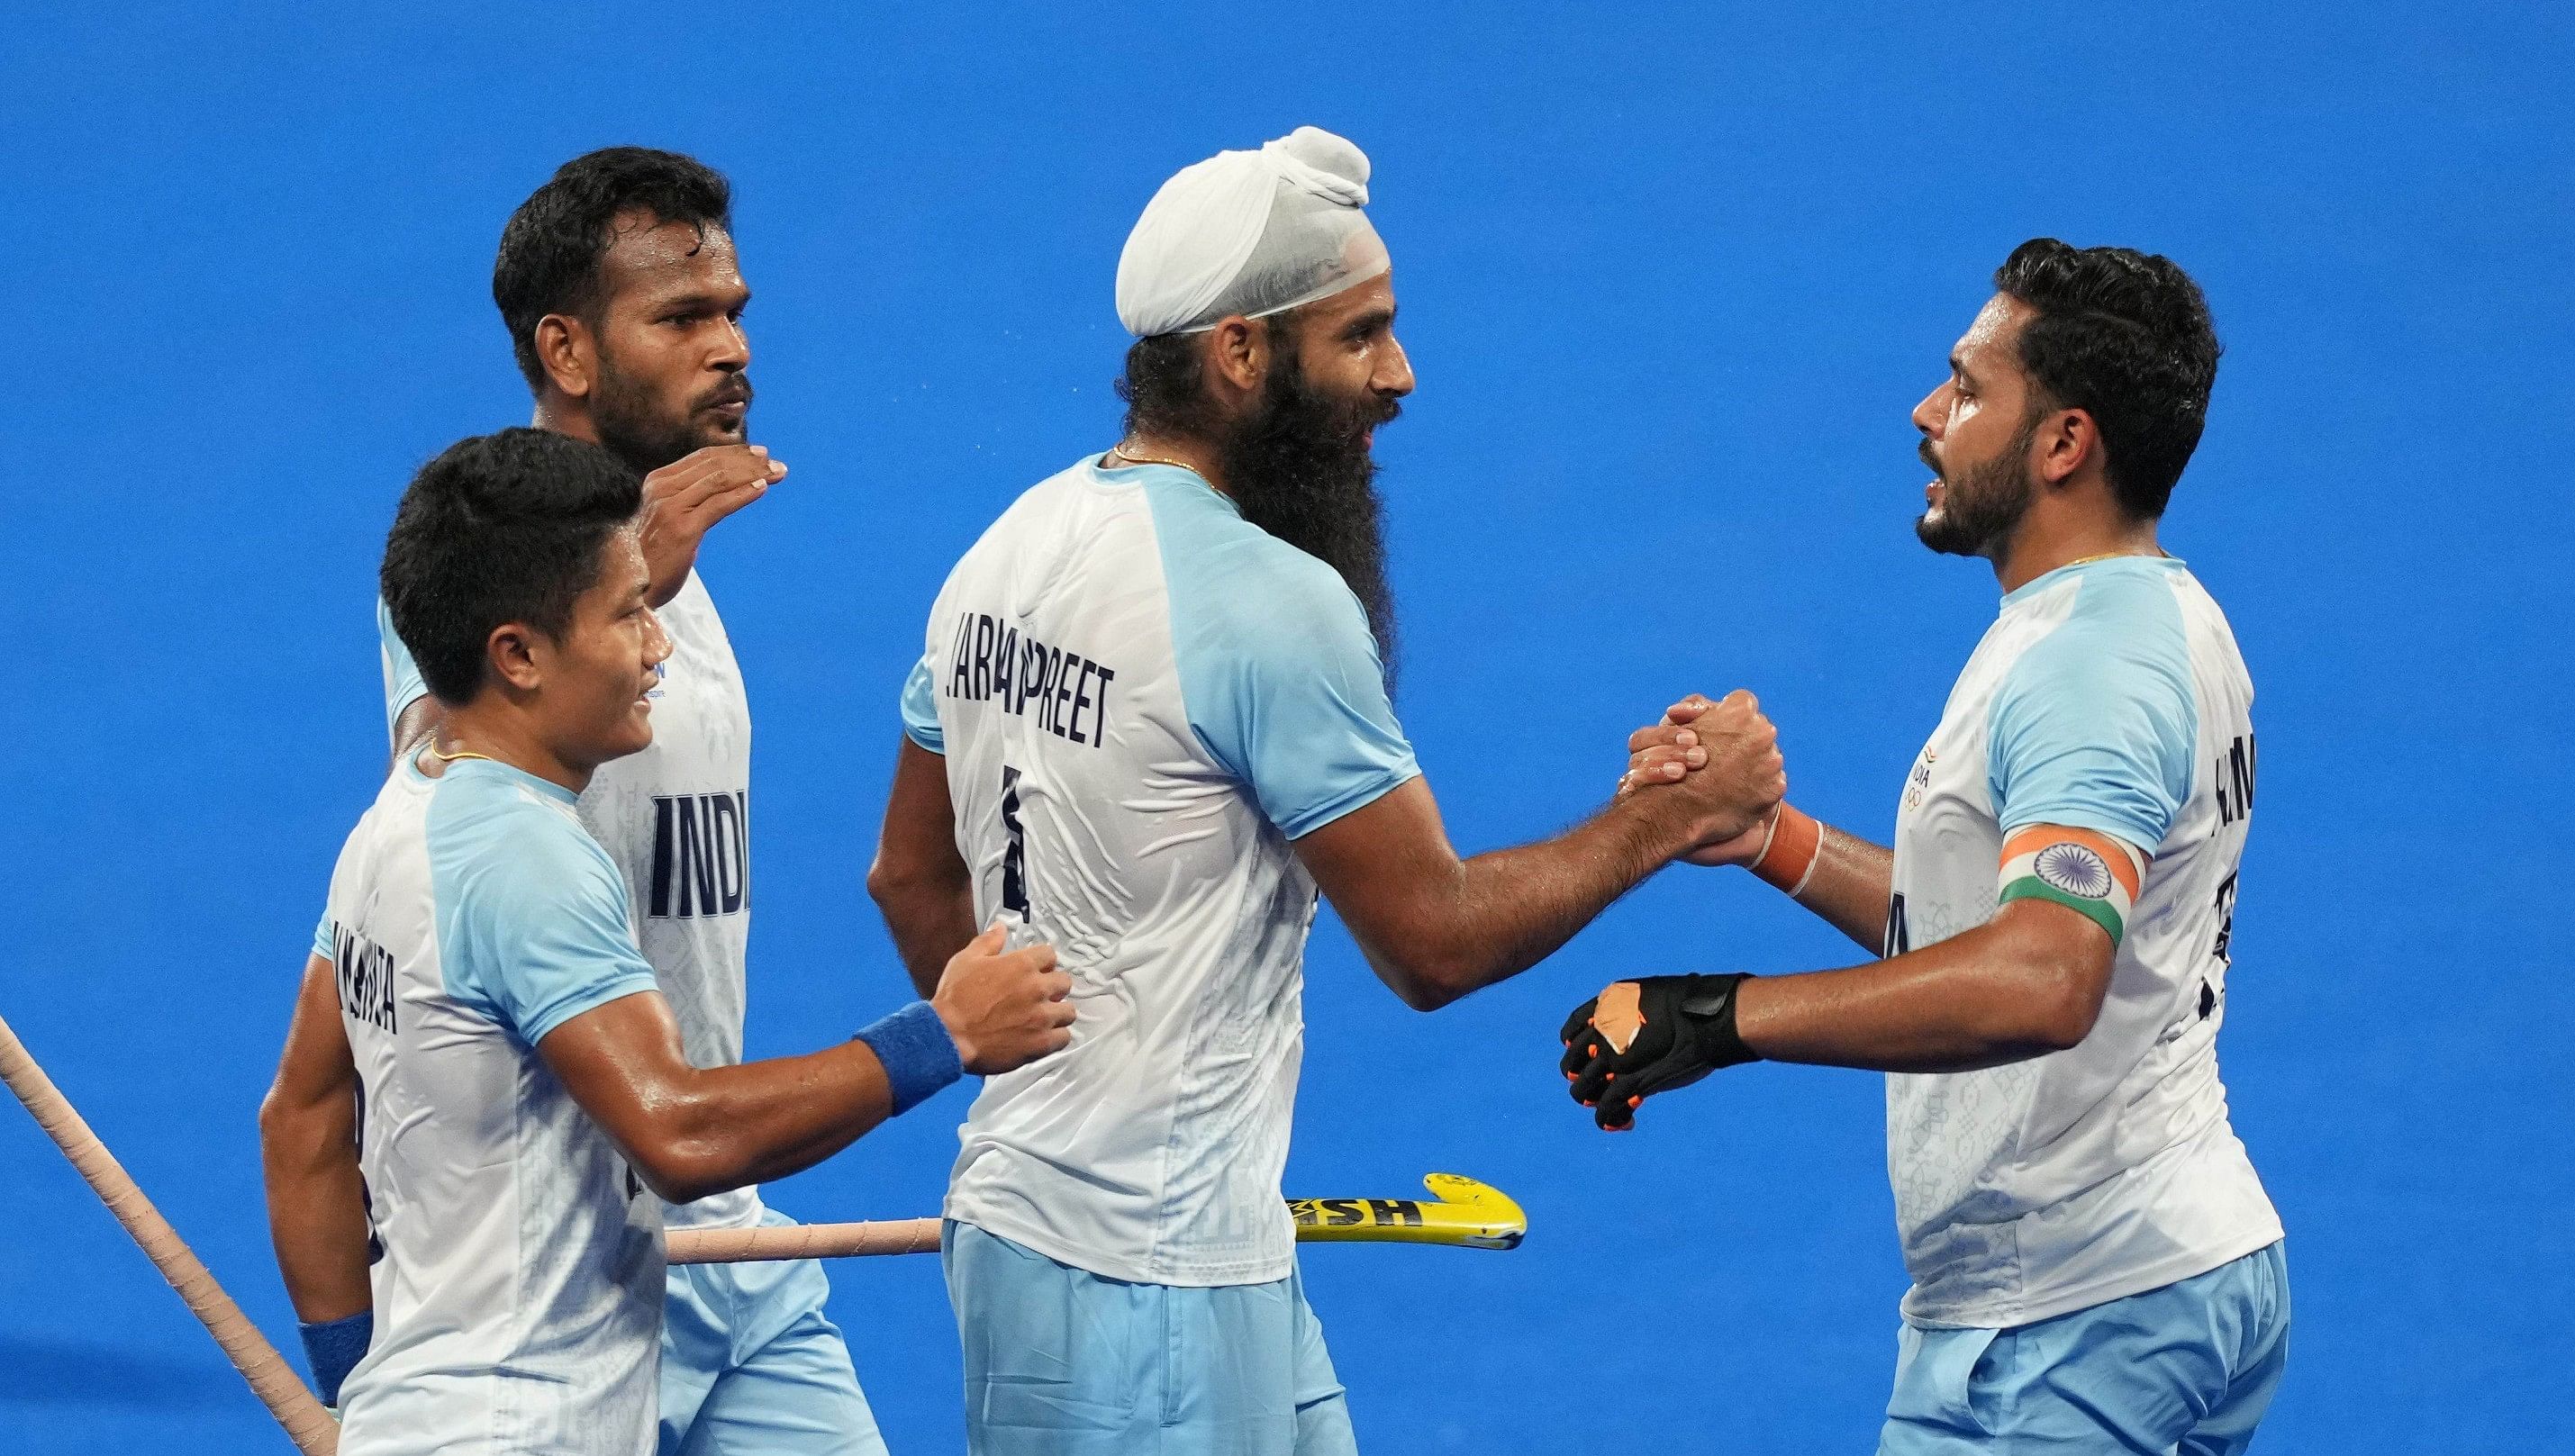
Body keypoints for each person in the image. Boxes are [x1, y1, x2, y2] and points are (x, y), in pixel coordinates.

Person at [865, 126, 1784, 1456]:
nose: (1399, 376)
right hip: (1156, 1295)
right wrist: (1671, 818)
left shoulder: (1005, 547)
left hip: (1073, 1240)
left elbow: (909, 873)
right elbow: (1433, 940)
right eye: (1360, 336)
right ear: (1240, 353)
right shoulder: (1265, 603)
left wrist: (1072, 1099)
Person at [1577, 240, 2288, 1453]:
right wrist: (1774, 841)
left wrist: (1720, 1015)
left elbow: (2041, 974)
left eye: (1966, 389)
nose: (1925, 412)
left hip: (2067, 1316)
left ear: (2063, 443)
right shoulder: (2149, 614)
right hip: (2152, 1273)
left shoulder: (2089, 668)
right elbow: (2006, 925)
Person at [258, 428, 1074, 1456]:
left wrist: (354, 1394)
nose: (659, 646)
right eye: (629, 612)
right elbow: (680, 1134)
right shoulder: (524, 857)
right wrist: (944, 1033)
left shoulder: (394, 820)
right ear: (517, 654)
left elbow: (302, 1120)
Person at [377, 147, 897, 1454]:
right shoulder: (471, 581)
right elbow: (452, 789)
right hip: (556, 1280)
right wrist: (638, 572)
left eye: (733, 312)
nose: (728, 348)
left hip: (730, 1238)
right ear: (566, 350)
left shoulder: (677, 588)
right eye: (681, 317)